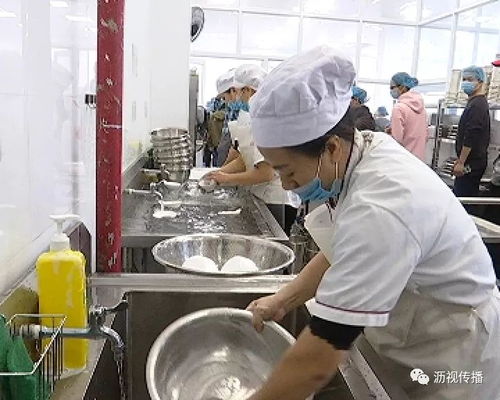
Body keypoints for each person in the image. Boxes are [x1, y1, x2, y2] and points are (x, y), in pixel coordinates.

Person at [244, 46, 499, 400]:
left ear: (331, 147)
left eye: (287, 170)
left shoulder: (383, 204)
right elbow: (341, 249)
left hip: (451, 352)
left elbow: (318, 359)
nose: (285, 184)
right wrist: (284, 299)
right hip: (410, 334)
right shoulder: (361, 151)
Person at [206, 64, 300, 234]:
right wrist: (218, 174)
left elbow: (266, 173)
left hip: (275, 201)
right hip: (262, 195)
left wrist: (226, 179)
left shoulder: (269, 121)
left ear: (249, 91)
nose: (236, 98)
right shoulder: (254, 117)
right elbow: (246, 158)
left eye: (238, 91)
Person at [453, 65, 491, 204]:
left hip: (472, 163)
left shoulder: (478, 105)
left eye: (470, 79)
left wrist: (461, 162)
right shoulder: (474, 103)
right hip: (470, 161)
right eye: (463, 79)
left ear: (480, 82)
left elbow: (471, 135)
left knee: (463, 201)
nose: (465, 82)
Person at [388, 72, 428, 161]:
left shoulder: (399, 108)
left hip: (404, 159)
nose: (391, 91)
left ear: (402, 87)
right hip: (419, 159)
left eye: (392, 88)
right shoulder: (422, 109)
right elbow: (423, 134)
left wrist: (388, 134)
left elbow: (396, 140)